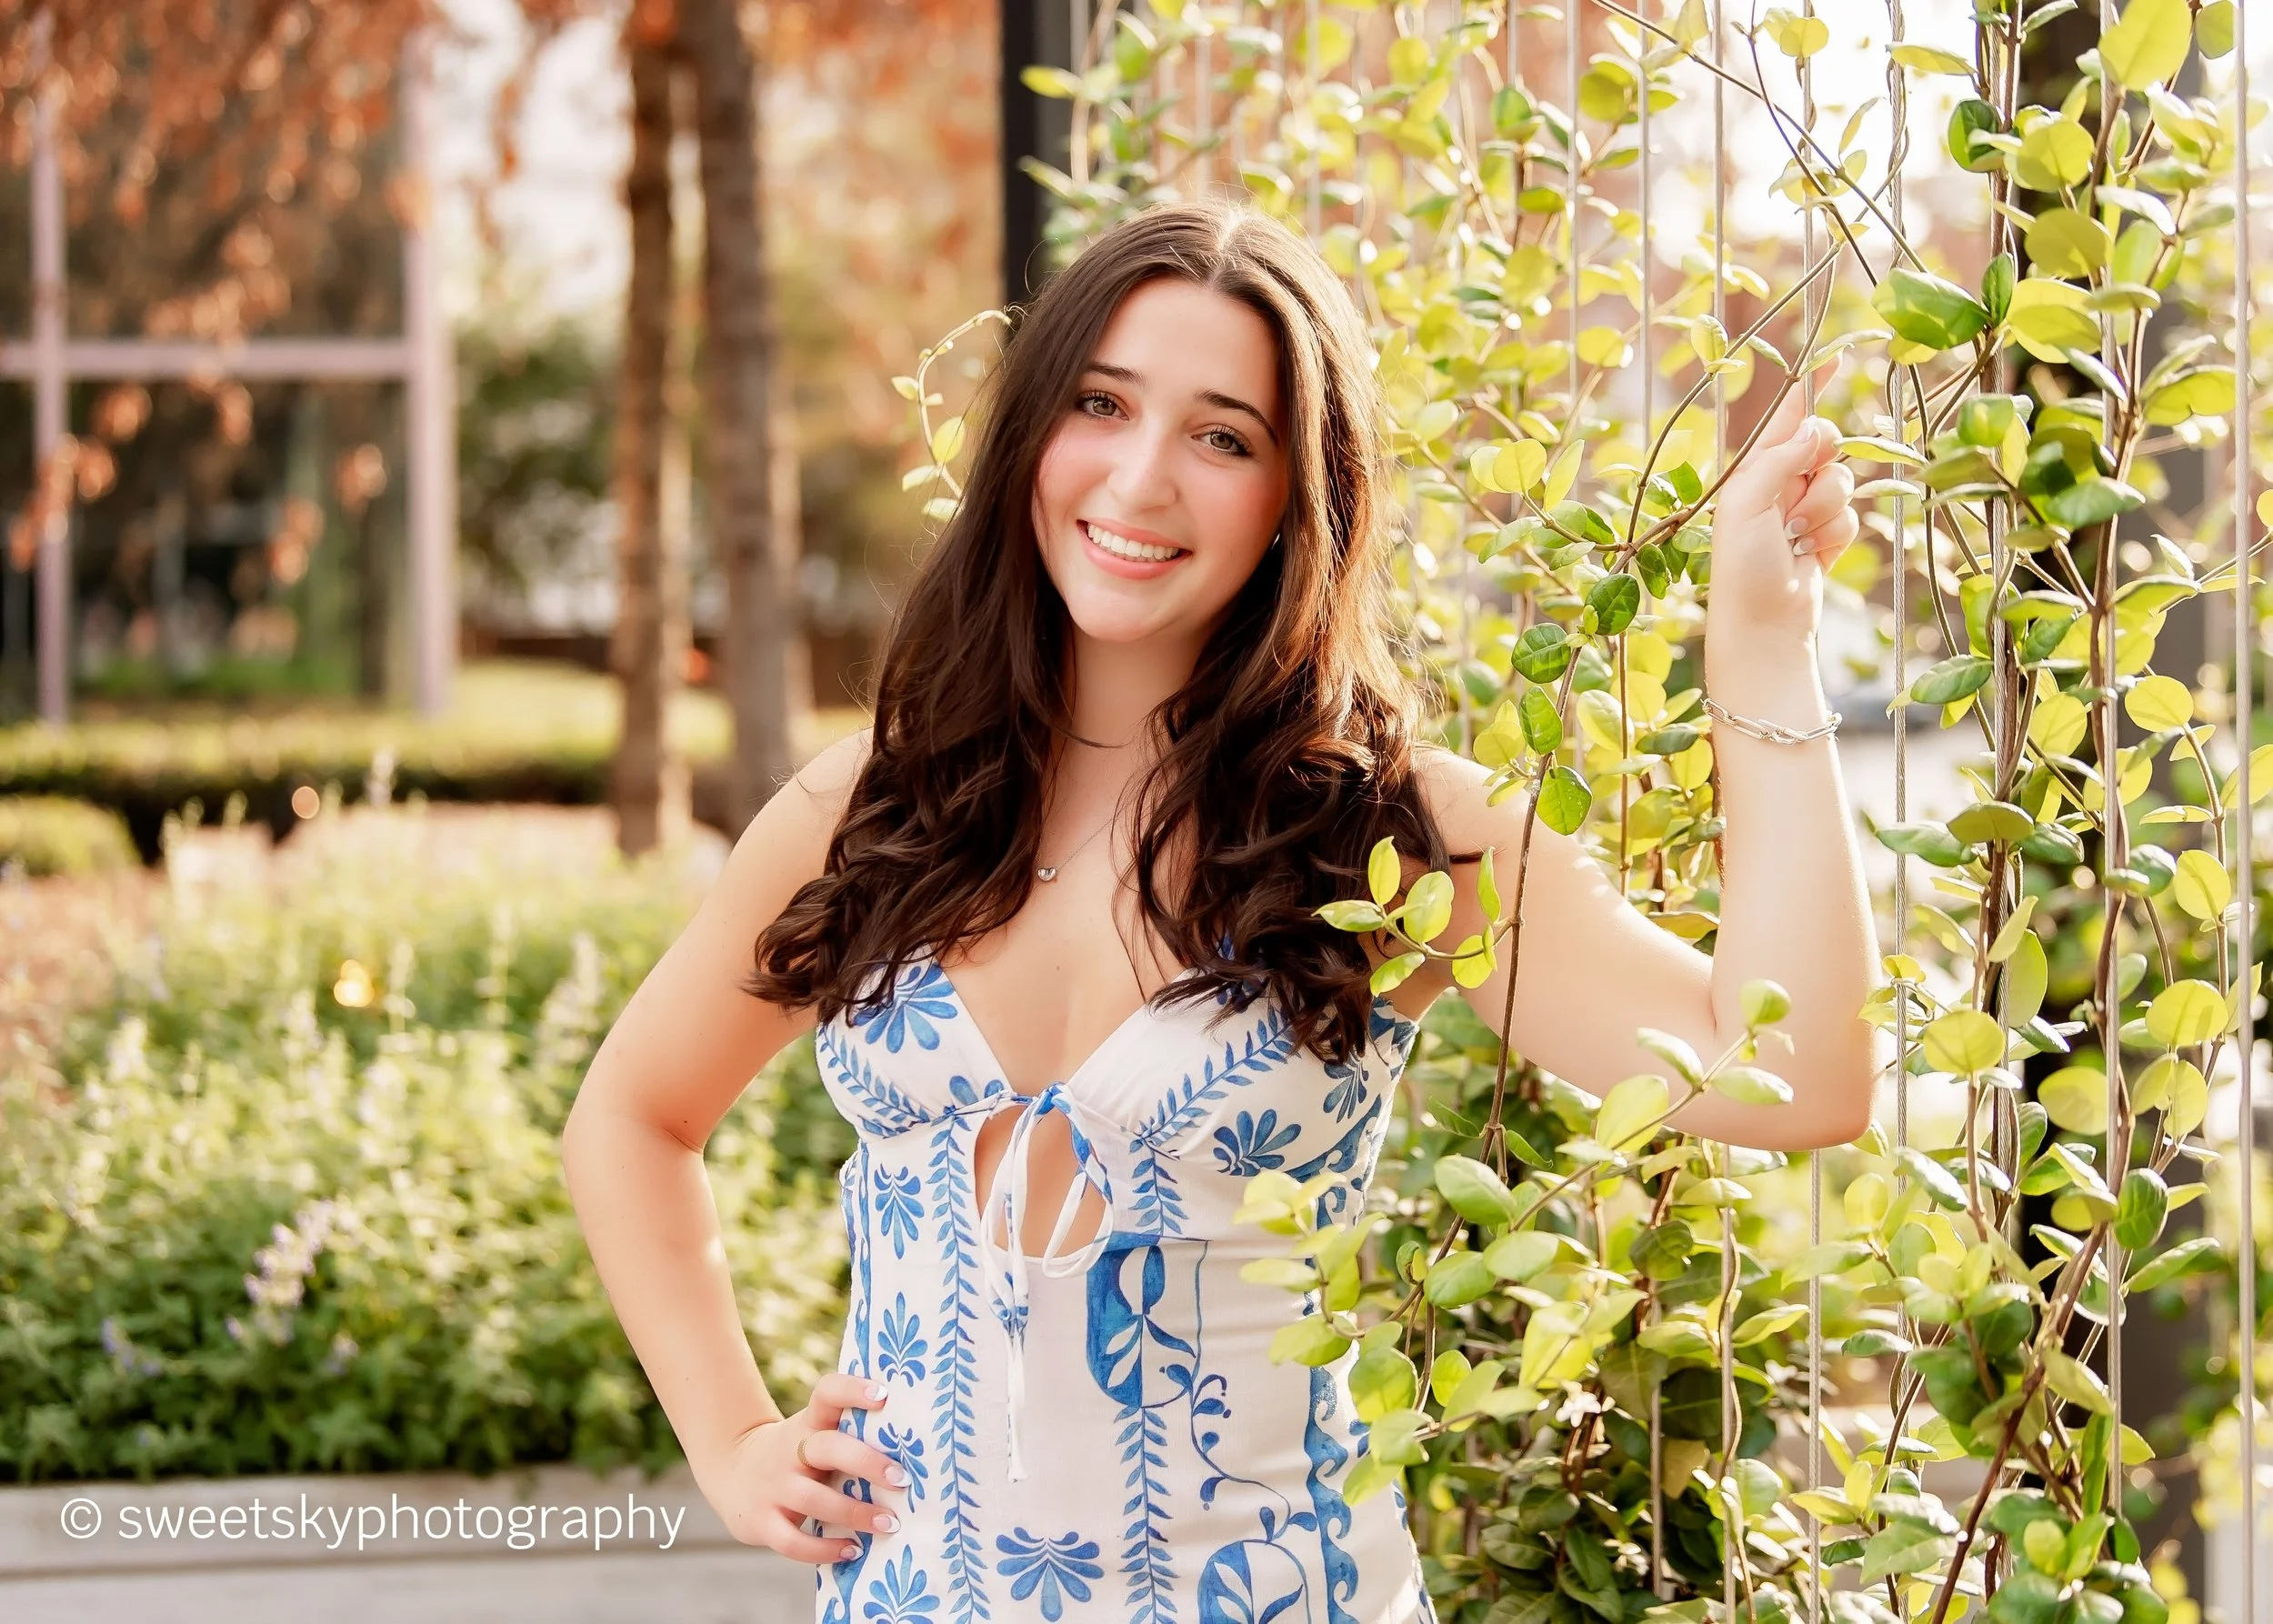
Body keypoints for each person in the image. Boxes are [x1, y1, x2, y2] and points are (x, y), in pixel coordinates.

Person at [561, 195, 1877, 1624]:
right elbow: (631, 1117)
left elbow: (1794, 1077)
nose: (1138, 479)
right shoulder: (869, 809)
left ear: (1296, 496)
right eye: (1100, 403)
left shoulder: (1392, 833)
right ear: (1028, 441)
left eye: (1221, 435)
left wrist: (1763, 648)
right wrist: (737, 1439)